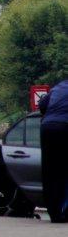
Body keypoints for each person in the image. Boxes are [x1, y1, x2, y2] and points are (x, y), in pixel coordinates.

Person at [39, 77, 68, 222]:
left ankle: (54, 213)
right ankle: (65, 210)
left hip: (47, 127)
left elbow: (42, 104)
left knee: (50, 171)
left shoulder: (59, 86)